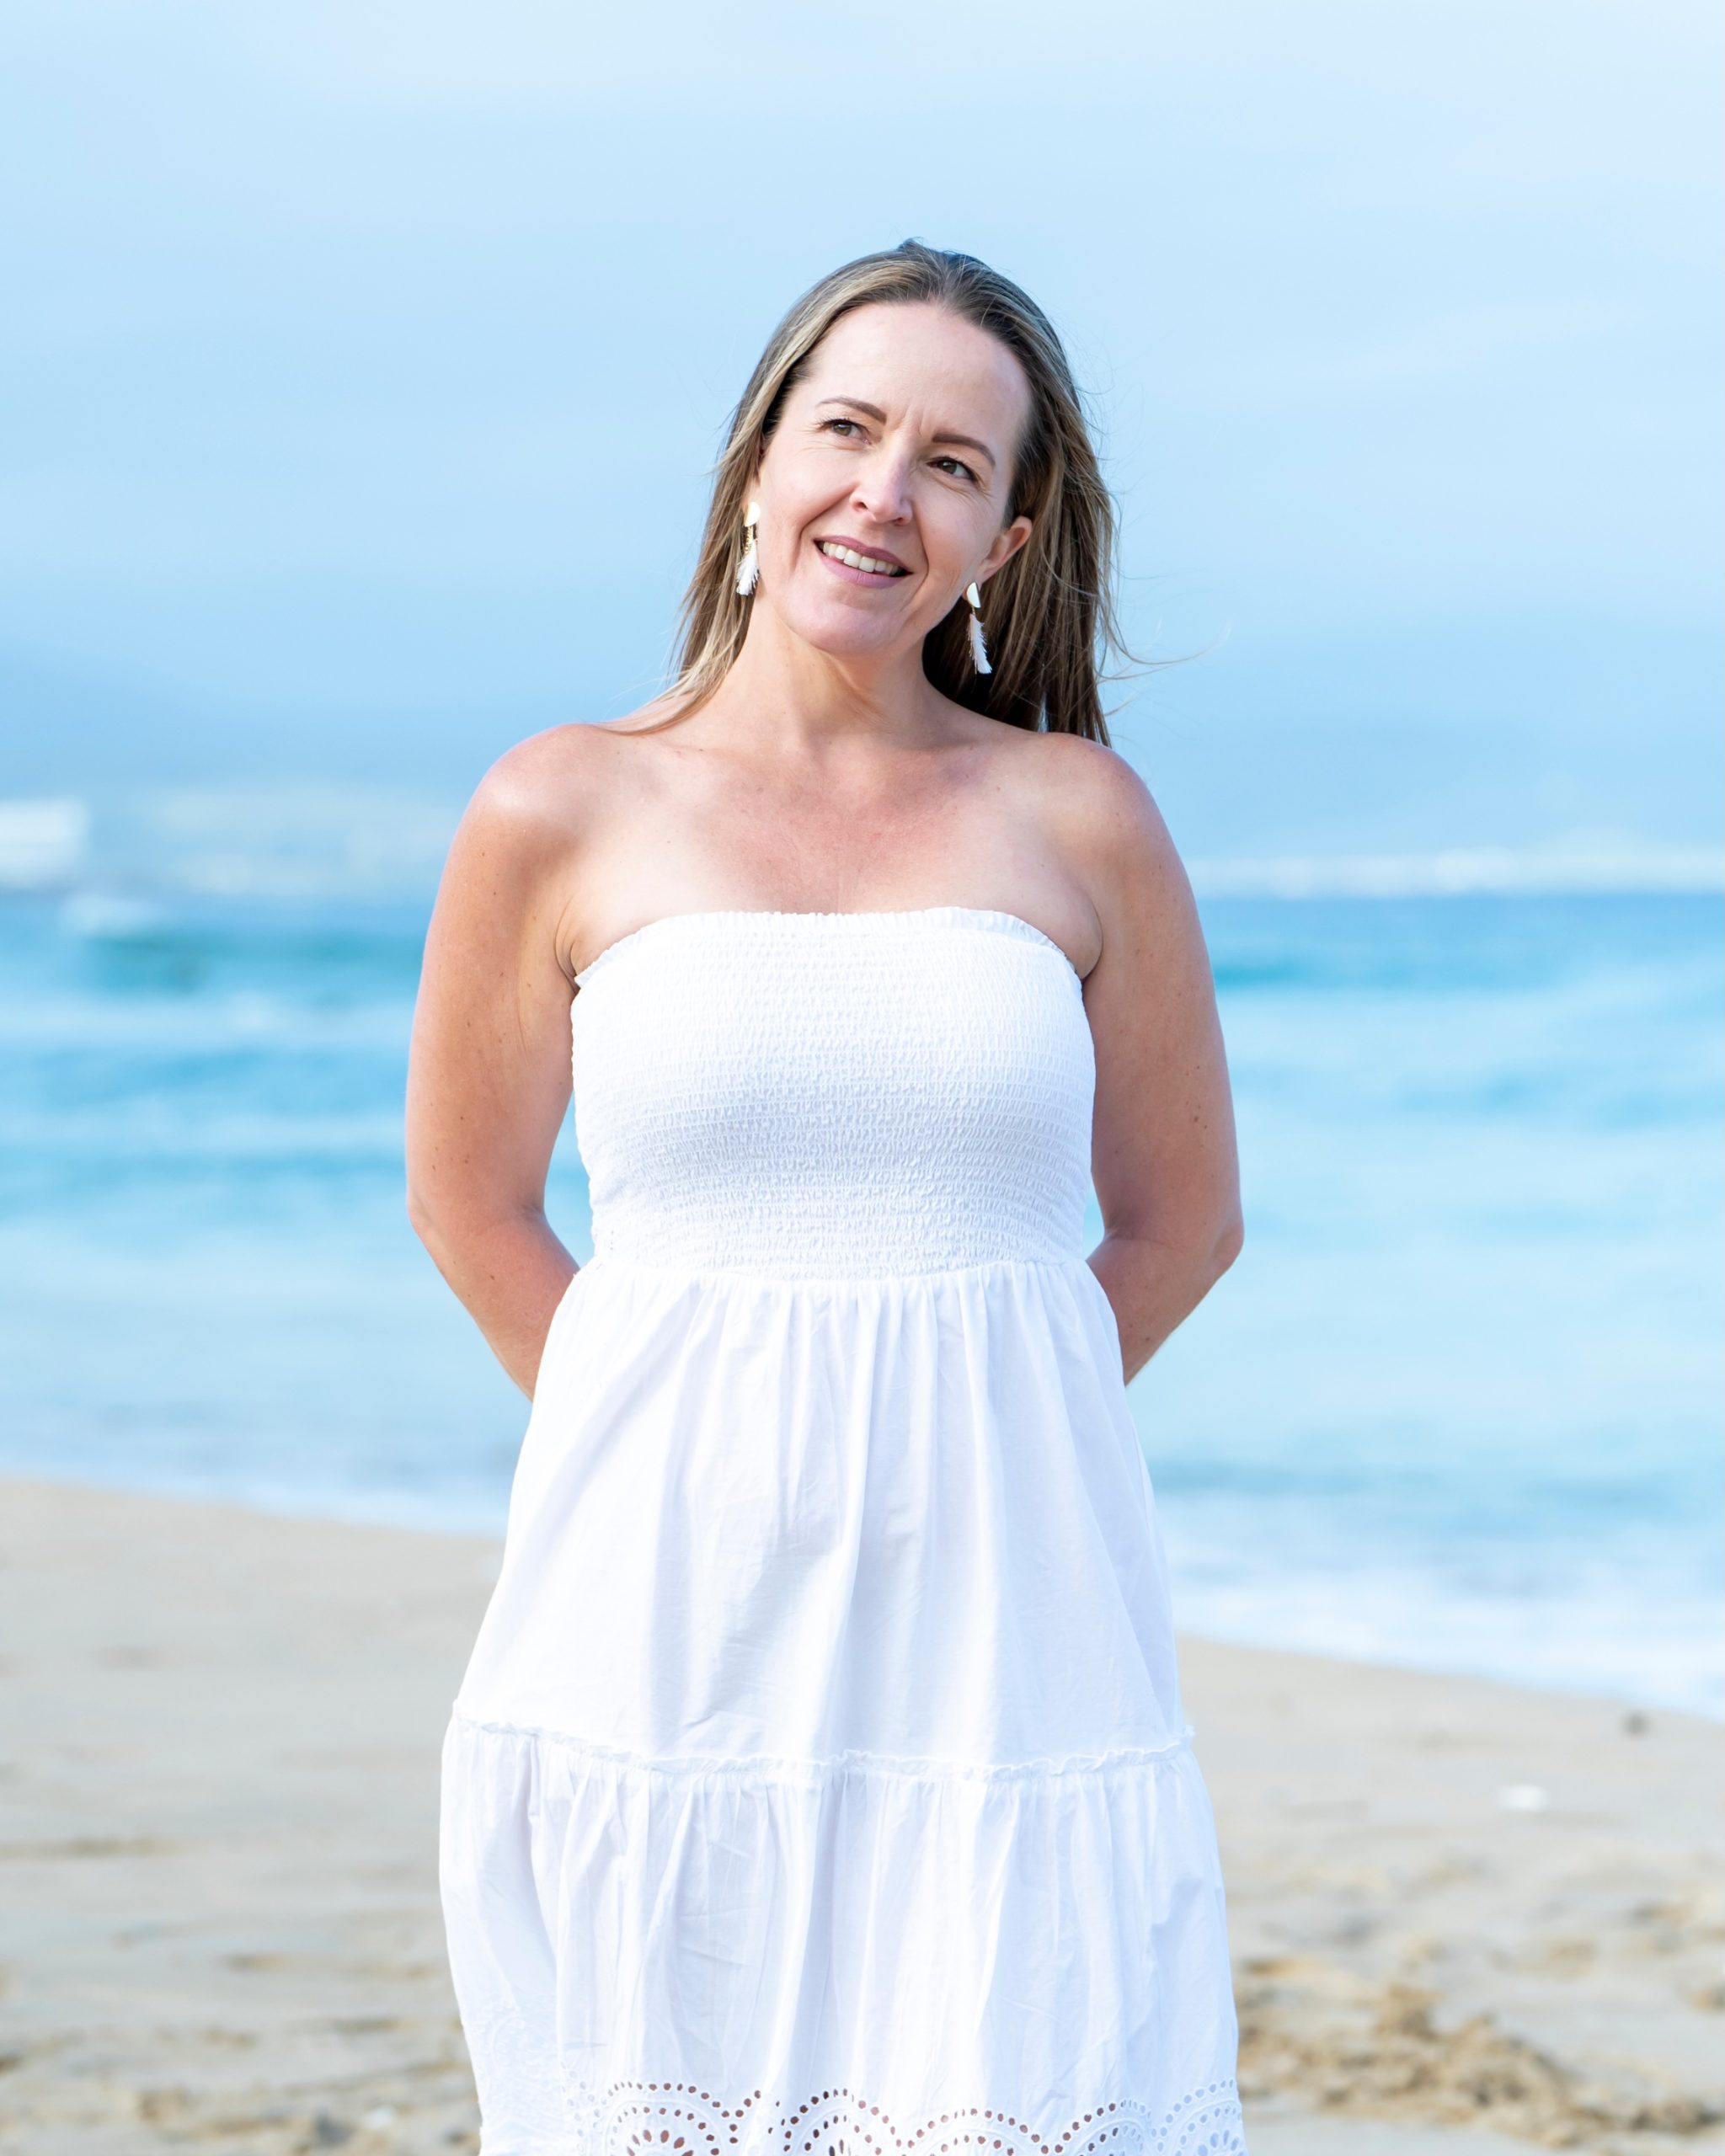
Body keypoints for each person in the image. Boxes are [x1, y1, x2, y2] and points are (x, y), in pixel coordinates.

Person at [406, 238, 1248, 2156]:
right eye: (848, 430)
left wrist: (976, 1447)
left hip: (1002, 1612)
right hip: (662, 1605)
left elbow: (1180, 1222)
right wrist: (683, 1451)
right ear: (759, 461)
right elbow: (470, 1203)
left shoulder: (1079, 817)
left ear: (1002, 541)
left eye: (950, 462)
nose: (884, 492)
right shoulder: (558, 806)